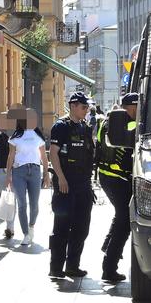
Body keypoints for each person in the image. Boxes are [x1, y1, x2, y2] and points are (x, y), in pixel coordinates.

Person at [48, 92, 95, 279]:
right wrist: (61, 178)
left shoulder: (84, 127)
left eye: (87, 108)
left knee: (82, 227)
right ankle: (56, 268)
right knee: (61, 228)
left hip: (83, 184)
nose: (86, 110)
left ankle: (73, 266)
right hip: (66, 184)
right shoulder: (61, 126)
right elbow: (53, 153)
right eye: (84, 107)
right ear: (73, 106)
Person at [97, 93, 138, 283]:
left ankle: (108, 246)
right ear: (130, 107)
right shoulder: (129, 124)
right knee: (124, 223)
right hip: (118, 179)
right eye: (138, 107)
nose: (140, 111)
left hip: (108, 177)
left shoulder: (108, 121)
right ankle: (109, 268)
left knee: (120, 215)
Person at [5, 109, 51, 245]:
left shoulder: (38, 136)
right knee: (22, 204)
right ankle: (25, 233)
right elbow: (11, 156)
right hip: (19, 171)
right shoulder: (15, 137)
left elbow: (44, 156)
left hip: (35, 170)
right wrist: (8, 175)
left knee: (35, 205)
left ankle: (31, 226)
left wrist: (46, 174)